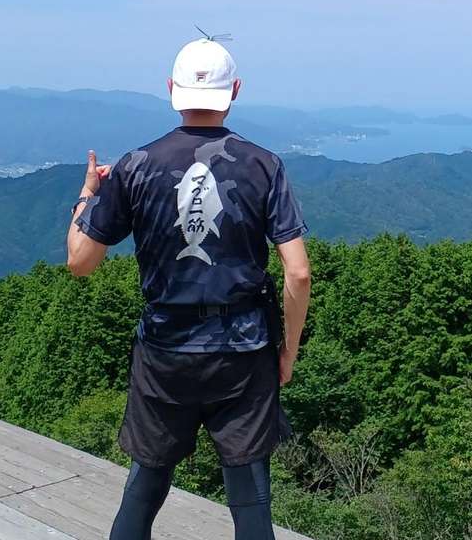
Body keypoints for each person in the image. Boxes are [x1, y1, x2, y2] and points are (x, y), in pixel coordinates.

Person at [66, 36, 311, 540]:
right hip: (244, 351)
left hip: (165, 351)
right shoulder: (264, 165)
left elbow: (80, 263)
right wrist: (287, 350)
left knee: (146, 484)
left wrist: (88, 195)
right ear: (235, 90)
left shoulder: (135, 165)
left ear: (170, 88)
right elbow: (298, 273)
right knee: (250, 497)